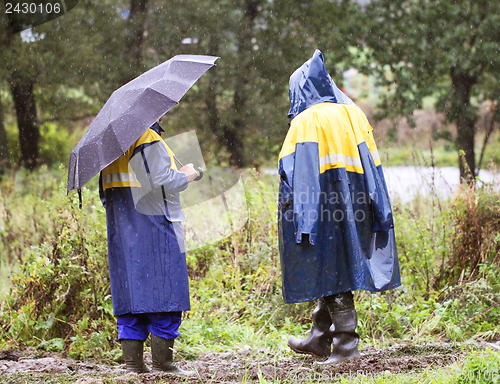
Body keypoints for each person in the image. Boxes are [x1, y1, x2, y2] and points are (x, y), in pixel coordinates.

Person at [278, 50, 401, 364]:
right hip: (357, 202)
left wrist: (303, 221)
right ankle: (320, 338)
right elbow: (375, 168)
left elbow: (301, 176)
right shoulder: (352, 112)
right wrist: (379, 210)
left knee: (329, 267)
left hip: (320, 206)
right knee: (339, 266)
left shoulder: (307, 121)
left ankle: (346, 348)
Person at [99, 120, 199, 374]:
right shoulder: (146, 136)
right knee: (164, 293)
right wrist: (189, 173)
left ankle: (133, 365)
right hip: (155, 227)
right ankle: (163, 364)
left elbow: (104, 195)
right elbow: (161, 182)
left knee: (131, 295)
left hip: (122, 232)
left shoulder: (111, 146)